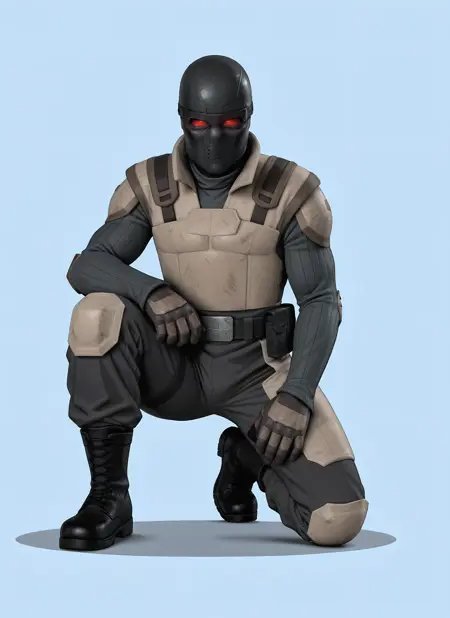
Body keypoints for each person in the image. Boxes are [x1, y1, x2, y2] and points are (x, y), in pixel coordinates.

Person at [59, 54, 368, 552]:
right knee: (96, 315)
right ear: (182, 118)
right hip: (172, 363)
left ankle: (246, 457)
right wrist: (151, 292)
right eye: (201, 125)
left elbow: (320, 300)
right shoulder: (151, 184)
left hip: (257, 370)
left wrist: (297, 396)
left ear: (249, 116)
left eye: (230, 123)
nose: (214, 138)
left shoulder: (291, 190)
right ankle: (108, 495)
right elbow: (87, 265)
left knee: (338, 518)